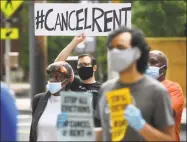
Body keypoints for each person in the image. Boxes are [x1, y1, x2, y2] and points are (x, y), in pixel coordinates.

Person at [95, 26, 176, 141]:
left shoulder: (157, 92)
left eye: (120, 47)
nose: (114, 52)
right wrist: (77, 131)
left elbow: (169, 139)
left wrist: (141, 126)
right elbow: (106, 132)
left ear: (137, 53)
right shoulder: (105, 88)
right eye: (111, 48)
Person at [55, 34, 101, 127]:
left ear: (94, 68)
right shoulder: (74, 83)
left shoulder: (102, 88)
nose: (82, 67)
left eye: (85, 64)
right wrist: (74, 42)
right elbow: (57, 65)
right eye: (80, 65)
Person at [29, 61, 74, 142]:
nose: (52, 80)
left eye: (57, 77)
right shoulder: (38, 99)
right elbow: (32, 133)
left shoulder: (76, 101)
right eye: (50, 77)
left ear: (67, 80)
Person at [146, 50, 184, 141]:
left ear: (164, 68)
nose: (148, 66)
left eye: (153, 62)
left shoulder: (174, 88)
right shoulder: (140, 87)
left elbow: (168, 114)